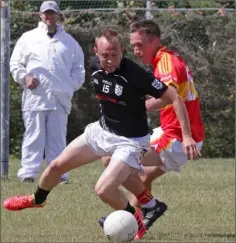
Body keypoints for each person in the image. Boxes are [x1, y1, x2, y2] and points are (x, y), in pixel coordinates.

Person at [4, 29, 180, 240]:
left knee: (104, 190)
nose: (110, 59)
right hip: (102, 130)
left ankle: (137, 220)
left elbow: (171, 96)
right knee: (56, 166)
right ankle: (37, 199)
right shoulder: (95, 67)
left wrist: (143, 105)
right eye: (105, 54)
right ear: (96, 52)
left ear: (122, 50)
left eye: (115, 54)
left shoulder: (135, 74)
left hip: (131, 141)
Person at [101, 19, 204, 230]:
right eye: (133, 46)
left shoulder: (165, 63)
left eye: (140, 45)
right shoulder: (165, 59)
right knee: (141, 175)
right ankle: (135, 220)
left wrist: (186, 136)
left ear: (154, 41)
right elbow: (168, 98)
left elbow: (174, 97)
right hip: (174, 134)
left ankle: (135, 215)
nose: (136, 51)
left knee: (113, 157)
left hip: (176, 138)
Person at [10, 1, 85, 183]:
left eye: (52, 13)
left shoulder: (69, 43)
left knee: (57, 137)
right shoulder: (28, 38)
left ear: (58, 15)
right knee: (33, 135)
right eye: (46, 13)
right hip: (35, 97)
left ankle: (58, 173)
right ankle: (28, 173)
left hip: (60, 98)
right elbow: (15, 64)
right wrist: (25, 78)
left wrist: (68, 86)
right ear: (40, 15)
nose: (49, 17)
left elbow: (79, 70)